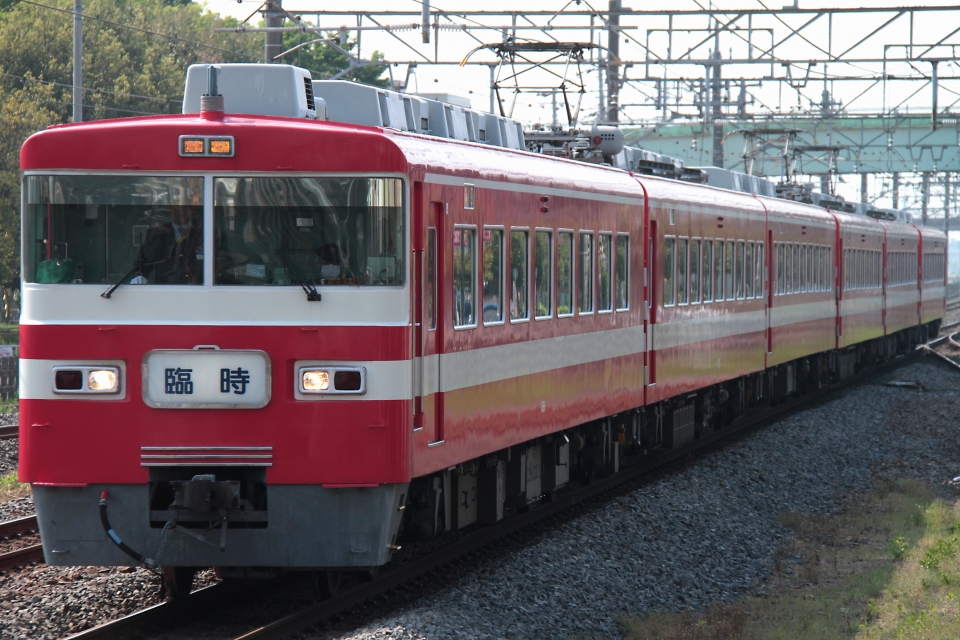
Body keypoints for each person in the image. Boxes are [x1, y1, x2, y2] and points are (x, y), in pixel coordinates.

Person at [138, 206, 203, 284]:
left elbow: (212, 261)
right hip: (164, 287)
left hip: (197, 288)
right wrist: (140, 275)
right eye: (176, 207)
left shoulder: (203, 232)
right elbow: (145, 259)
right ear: (170, 210)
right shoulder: (157, 233)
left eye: (184, 207)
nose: (180, 211)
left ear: (190, 209)